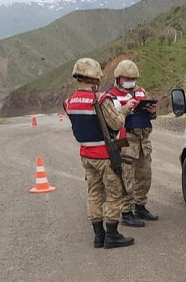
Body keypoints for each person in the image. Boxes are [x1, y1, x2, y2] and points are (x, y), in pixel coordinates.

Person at [63, 57, 134, 249]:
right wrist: (125, 111)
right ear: (95, 78)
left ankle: (98, 235)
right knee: (114, 193)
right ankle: (112, 234)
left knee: (94, 193)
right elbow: (117, 123)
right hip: (105, 154)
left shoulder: (69, 102)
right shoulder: (101, 99)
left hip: (86, 154)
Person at [106, 60, 159, 227]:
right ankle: (127, 212)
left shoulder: (141, 92)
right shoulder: (111, 95)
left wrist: (152, 112)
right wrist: (126, 108)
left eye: (133, 78)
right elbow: (111, 120)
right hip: (127, 142)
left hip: (143, 141)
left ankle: (140, 206)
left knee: (144, 176)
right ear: (119, 78)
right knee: (126, 178)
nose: (130, 81)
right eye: (126, 78)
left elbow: (150, 116)